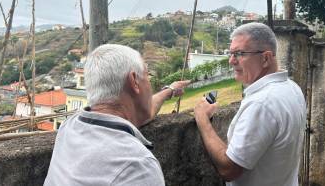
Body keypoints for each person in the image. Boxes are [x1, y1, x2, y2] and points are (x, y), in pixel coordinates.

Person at [44, 44, 190, 186]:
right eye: (147, 76)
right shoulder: (138, 166)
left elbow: (138, 115)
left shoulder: (68, 126)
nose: (150, 85)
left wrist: (169, 91)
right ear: (134, 81)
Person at [194, 22, 306, 186]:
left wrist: (202, 119)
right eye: (230, 53)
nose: (231, 61)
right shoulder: (292, 88)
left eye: (239, 53)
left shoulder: (262, 104)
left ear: (266, 58)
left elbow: (229, 169)